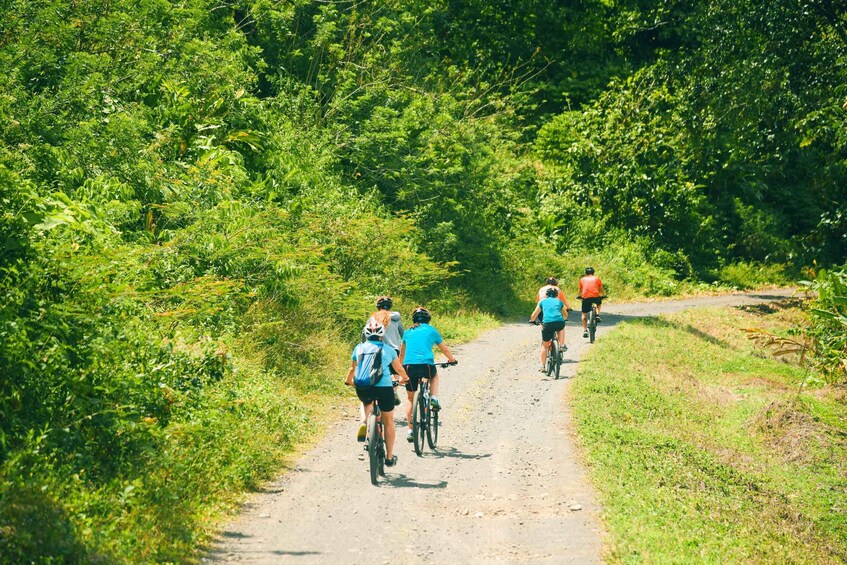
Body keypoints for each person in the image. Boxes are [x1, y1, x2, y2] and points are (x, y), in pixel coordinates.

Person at [346, 318, 409, 467]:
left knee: (365, 402)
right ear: (382, 335)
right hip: (384, 388)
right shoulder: (388, 349)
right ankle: (389, 456)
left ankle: (363, 422)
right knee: (388, 421)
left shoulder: (358, 348)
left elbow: (352, 369)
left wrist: (349, 381)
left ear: (366, 335)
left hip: (364, 386)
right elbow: (399, 369)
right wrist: (404, 378)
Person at [400, 307, 457, 443]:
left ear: (414, 319)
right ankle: (434, 398)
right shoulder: (432, 330)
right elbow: (444, 348)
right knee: (434, 376)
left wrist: (401, 371)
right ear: (428, 319)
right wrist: (452, 360)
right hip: (426, 366)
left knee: (410, 398)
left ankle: (410, 430)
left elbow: (401, 354)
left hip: (409, 367)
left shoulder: (407, 332)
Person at [362, 296, 405, 406]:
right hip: (393, 349)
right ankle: (394, 391)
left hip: (375, 349)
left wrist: (364, 346)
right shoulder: (396, 319)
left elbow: (365, 334)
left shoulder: (372, 319)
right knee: (395, 371)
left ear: (378, 307)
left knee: (377, 370)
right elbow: (403, 335)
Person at [529, 287, 570, 372]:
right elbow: (565, 314)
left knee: (545, 345)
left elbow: (533, 315)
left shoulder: (542, 301)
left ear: (546, 295)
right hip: (559, 322)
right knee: (561, 328)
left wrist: (532, 321)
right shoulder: (559, 301)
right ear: (556, 295)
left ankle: (543, 366)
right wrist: (564, 319)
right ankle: (561, 345)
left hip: (547, 324)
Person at [578, 266, 606, 338]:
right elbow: (600, 288)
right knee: (599, 303)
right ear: (593, 273)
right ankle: (597, 314)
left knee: (584, 314)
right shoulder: (597, 279)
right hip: (595, 297)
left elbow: (580, 290)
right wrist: (604, 295)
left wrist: (579, 296)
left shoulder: (582, 279)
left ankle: (585, 330)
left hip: (586, 298)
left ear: (586, 273)